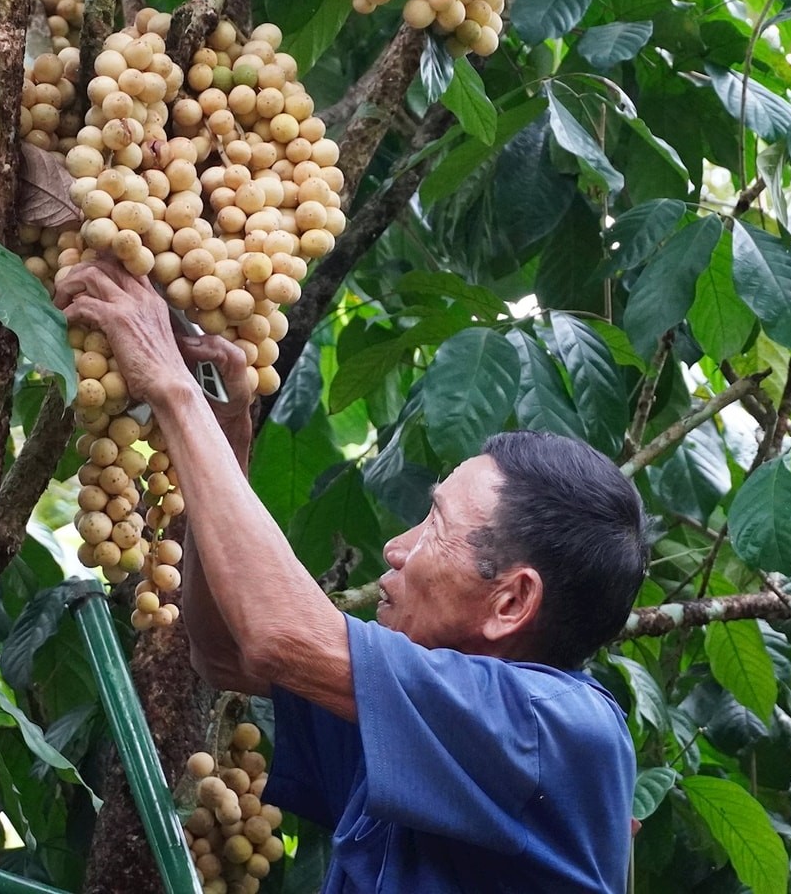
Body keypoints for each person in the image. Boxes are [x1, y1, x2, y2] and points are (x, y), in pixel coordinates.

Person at [54, 258, 651, 894]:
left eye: (434, 524)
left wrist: (172, 389)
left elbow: (280, 636)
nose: (396, 548)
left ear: (511, 601)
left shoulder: (554, 727)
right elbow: (228, 653)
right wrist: (225, 430)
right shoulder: (421, 715)